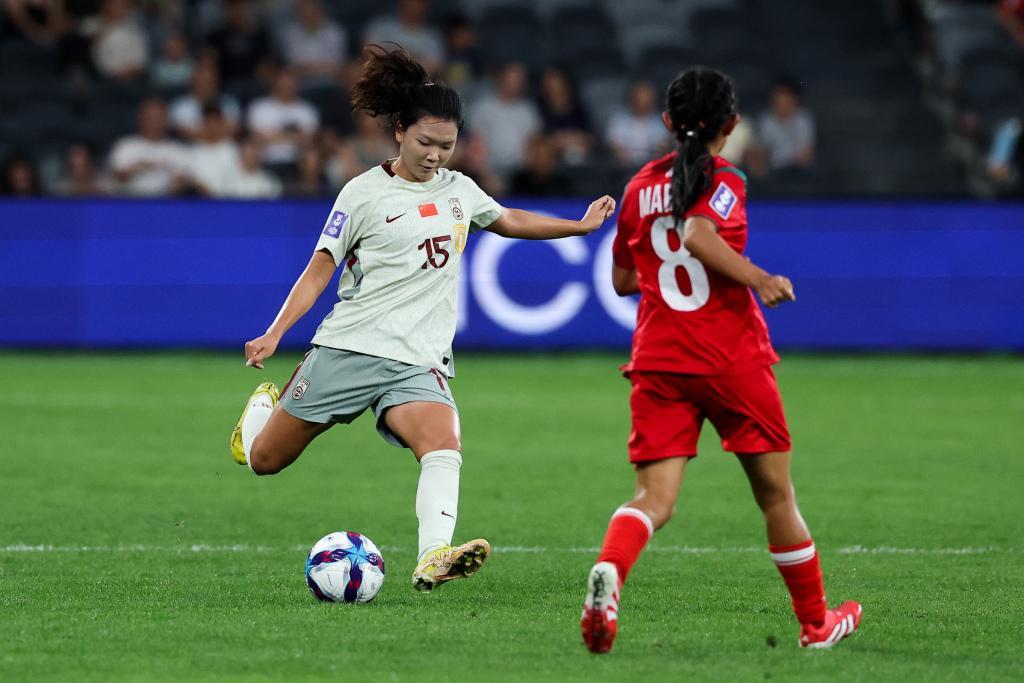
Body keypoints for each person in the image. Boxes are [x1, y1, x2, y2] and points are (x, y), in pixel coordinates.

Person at [229, 44, 616, 593]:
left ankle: (433, 554)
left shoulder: (460, 190)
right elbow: (320, 268)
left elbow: (506, 218)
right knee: (265, 460)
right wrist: (275, 332)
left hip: (418, 360)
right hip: (350, 348)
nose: (436, 155)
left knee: (443, 445)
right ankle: (260, 413)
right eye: (425, 143)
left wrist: (577, 227)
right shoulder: (362, 193)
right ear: (399, 131)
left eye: (447, 145)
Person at [579, 66, 861, 654]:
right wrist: (759, 278)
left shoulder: (638, 187)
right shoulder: (726, 179)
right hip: (731, 360)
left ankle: (610, 570)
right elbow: (698, 234)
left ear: (666, 121)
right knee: (776, 497)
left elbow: (623, 280)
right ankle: (815, 624)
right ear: (731, 125)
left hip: (660, 360)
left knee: (653, 500)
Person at [605, 80, 672, 168]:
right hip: (622, 169)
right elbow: (615, 147)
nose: (643, 105)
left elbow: (661, 148)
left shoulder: (660, 122)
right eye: (640, 100)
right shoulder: (618, 120)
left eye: (647, 101)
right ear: (632, 100)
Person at [756, 79, 815, 173]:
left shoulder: (803, 120)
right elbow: (762, 153)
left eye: (785, 96)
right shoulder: (766, 121)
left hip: (798, 170)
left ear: (794, 99)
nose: (780, 101)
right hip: (774, 172)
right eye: (777, 96)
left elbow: (806, 154)